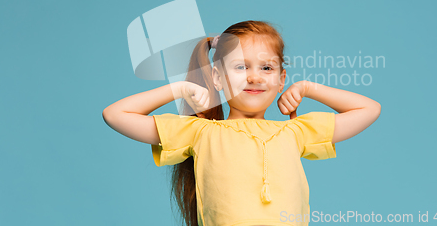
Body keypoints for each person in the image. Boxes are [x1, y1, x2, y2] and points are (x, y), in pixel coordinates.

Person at [102, 20, 381, 226]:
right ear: (217, 77)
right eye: (240, 67)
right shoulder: (200, 133)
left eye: (267, 68)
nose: (255, 77)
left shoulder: (296, 132)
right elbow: (115, 115)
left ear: (282, 79)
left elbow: (369, 109)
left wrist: (309, 88)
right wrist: (179, 89)